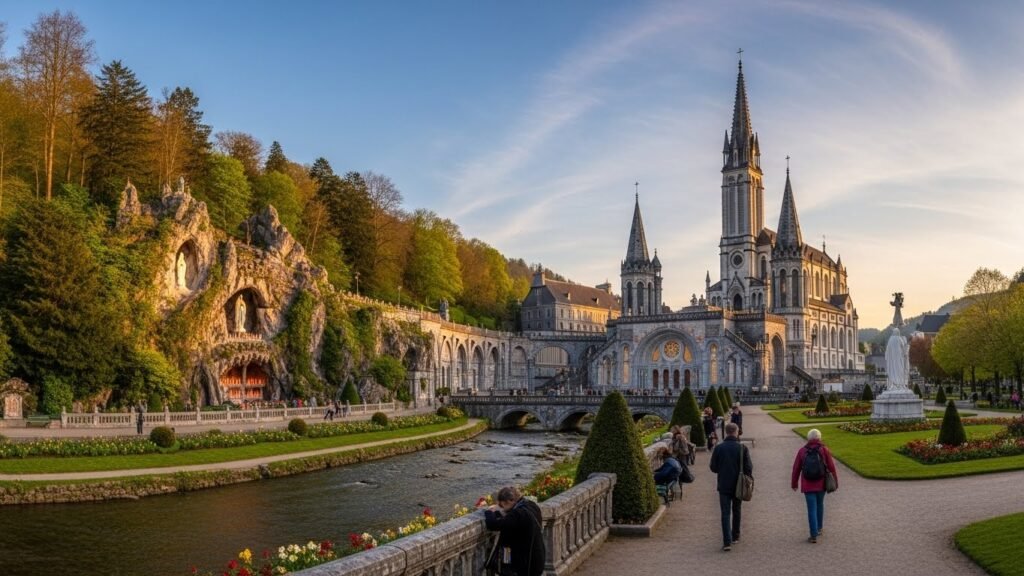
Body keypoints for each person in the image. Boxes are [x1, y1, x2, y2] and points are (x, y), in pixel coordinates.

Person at [709, 422, 752, 552]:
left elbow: (713, 467)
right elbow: (749, 468)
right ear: (736, 431)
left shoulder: (719, 448)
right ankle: (735, 536)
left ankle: (727, 542)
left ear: (727, 432)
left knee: (725, 513)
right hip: (738, 484)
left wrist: (723, 470)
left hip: (724, 484)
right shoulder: (742, 448)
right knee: (737, 510)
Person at [791, 428, 839, 543]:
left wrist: (794, 483)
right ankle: (819, 528)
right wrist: (835, 482)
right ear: (819, 438)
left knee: (811, 509)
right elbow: (831, 467)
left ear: (809, 438)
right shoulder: (824, 449)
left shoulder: (802, 451)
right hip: (821, 483)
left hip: (808, 484)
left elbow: (796, 468)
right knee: (820, 505)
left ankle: (813, 535)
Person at [484, 486, 545, 576]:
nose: (502, 508)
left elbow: (493, 524)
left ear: (509, 501)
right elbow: (510, 521)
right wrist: (500, 513)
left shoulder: (518, 514)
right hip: (537, 557)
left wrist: (489, 512)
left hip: (526, 563)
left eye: (501, 505)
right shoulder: (531, 505)